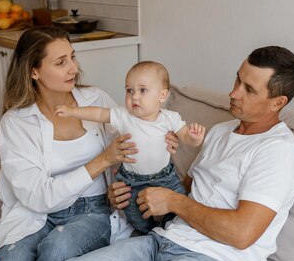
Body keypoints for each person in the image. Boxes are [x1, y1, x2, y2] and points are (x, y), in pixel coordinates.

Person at [31, 45, 294, 261]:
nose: (234, 92)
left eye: (249, 89)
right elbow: (186, 190)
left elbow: (241, 234)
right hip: (166, 239)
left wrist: (173, 202)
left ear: (277, 102)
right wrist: (136, 186)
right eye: (237, 79)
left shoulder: (278, 152)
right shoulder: (223, 131)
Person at [0, 26, 178, 261]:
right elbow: (37, 197)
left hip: (92, 212)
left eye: (72, 57)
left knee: (58, 249)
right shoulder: (16, 122)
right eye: (60, 63)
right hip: (33, 214)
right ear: (34, 71)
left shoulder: (94, 98)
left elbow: (138, 130)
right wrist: (101, 161)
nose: (73, 68)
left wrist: (166, 139)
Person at [54, 60, 205, 233]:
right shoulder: (123, 115)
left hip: (166, 177)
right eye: (129, 90)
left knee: (182, 207)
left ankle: (169, 230)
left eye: (143, 90)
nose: (134, 96)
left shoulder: (170, 118)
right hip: (132, 181)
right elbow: (98, 113)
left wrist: (195, 138)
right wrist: (72, 112)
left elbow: (186, 136)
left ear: (162, 96)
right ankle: (148, 233)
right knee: (133, 213)